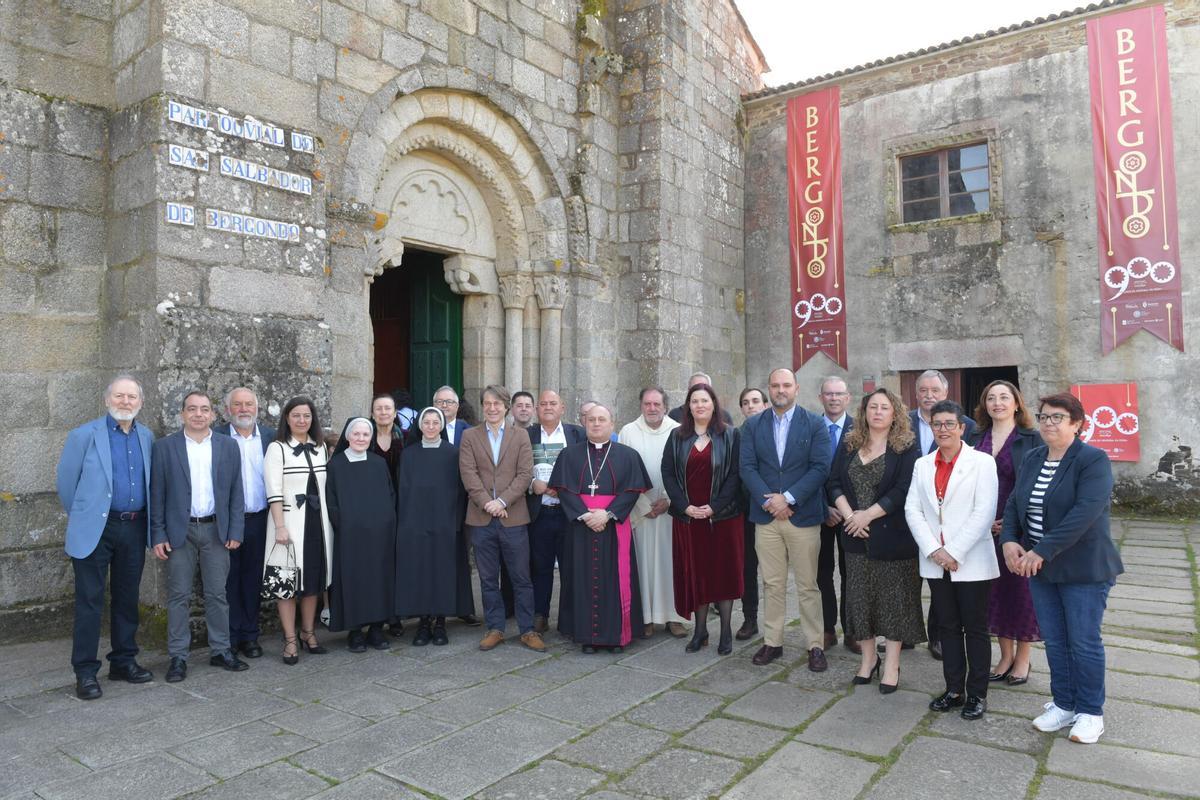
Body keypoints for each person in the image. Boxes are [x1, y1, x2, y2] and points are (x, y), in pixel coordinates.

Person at [1001, 393, 1124, 745]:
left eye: (1057, 417)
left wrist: (1041, 550)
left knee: (1083, 642)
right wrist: (1009, 539)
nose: (1049, 423)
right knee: (1055, 640)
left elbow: (1084, 514)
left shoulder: (1092, 460)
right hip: (1040, 569)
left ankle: (1090, 712)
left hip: (1083, 569)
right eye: (1044, 417)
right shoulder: (1034, 457)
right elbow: (1014, 503)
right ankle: (1065, 703)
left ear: (1076, 423)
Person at [56, 376, 156, 700]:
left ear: (140, 402)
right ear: (107, 400)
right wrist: (88, 516)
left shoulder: (147, 437)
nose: (125, 402)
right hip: (95, 529)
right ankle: (85, 672)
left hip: (134, 526)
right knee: (89, 602)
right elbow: (67, 485)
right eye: (119, 396)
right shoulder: (83, 436)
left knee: (127, 598)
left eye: (131, 397)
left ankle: (124, 661)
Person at [906, 400, 998, 721]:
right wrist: (935, 551)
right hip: (935, 561)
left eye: (949, 424)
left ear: (962, 428)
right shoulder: (922, 464)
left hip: (970, 560)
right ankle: (953, 689)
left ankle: (977, 694)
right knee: (947, 627)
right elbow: (912, 510)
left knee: (975, 628)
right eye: (937, 424)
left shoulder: (982, 463)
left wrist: (953, 552)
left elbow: (984, 511)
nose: (943, 430)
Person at [829, 388, 923, 693]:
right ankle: (868, 660)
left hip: (893, 538)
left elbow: (903, 488)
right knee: (860, 601)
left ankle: (892, 663)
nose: (878, 412)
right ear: (864, 412)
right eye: (873, 407)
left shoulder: (907, 447)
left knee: (895, 603)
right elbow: (833, 483)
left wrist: (867, 515)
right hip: (855, 538)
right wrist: (850, 517)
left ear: (894, 413)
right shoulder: (849, 444)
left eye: (884, 407)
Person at [150, 391, 248, 682]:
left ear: (213, 415)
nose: (198, 414)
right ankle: (178, 656)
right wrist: (158, 534)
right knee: (178, 595)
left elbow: (236, 493)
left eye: (204, 409)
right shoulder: (165, 447)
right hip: (180, 531)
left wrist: (235, 530)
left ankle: (221, 650)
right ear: (182, 414)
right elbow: (157, 493)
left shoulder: (228, 446)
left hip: (217, 530)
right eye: (192, 409)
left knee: (218, 594)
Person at [740, 368, 832, 670]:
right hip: (766, 518)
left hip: (802, 515)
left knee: (808, 584)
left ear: (796, 388)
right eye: (775, 385)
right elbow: (748, 468)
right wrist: (771, 501)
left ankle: (815, 645)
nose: (781, 390)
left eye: (786, 385)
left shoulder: (815, 424)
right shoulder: (753, 426)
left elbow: (820, 468)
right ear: (769, 389)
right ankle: (773, 642)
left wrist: (789, 498)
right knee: (772, 583)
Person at [549, 403, 652, 653]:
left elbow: (631, 492)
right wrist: (586, 515)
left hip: (614, 525)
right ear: (585, 423)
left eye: (601, 419)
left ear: (612, 423)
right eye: (592, 419)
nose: (596, 424)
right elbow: (564, 490)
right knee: (582, 579)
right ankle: (587, 636)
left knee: (615, 580)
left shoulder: (628, 456)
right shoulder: (569, 455)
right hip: (581, 527)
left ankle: (616, 636)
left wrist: (608, 514)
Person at [967, 380, 1043, 685]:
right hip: (983, 528)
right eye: (991, 398)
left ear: (1016, 404)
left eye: (1004, 397)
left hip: (1020, 529)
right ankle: (1005, 655)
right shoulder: (975, 436)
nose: (997, 403)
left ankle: (1023, 658)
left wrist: (1012, 523)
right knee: (994, 593)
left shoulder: (1031, 439)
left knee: (1021, 593)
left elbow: (1036, 486)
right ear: (985, 404)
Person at [459, 385, 545, 652]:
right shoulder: (470, 436)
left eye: (497, 403)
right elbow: (468, 474)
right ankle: (495, 628)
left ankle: (527, 629)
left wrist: (502, 501)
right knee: (487, 578)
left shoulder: (520, 436)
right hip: (481, 518)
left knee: (521, 577)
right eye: (487, 403)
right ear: (482, 406)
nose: (492, 408)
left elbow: (524, 474)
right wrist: (488, 503)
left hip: (514, 517)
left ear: (506, 407)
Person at [662, 384, 744, 655]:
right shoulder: (676, 436)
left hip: (722, 518)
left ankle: (726, 632)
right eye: (694, 401)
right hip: (689, 519)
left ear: (713, 404)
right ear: (688, 406)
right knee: (696, 574)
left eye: (704, 400)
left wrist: (715, 507)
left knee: (722, 574)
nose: (699, 405)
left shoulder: (730, 436)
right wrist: (684, 506)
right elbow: (668, 474)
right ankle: (700, 631)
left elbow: (734, 476)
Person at [908, 369, 978, 660]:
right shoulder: (903, 422)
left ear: (945, 393)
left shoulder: (968, 426)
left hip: (948, 521)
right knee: (908, 579)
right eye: (923, 390)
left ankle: (938, 636)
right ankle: (908, 632)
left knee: (941, 581)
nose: (928, 395)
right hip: (910, 515)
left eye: (934, 390)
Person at [264, 396, 334, 664]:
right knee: (286, 583)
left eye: (307, 416)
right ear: (287, 419)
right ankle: (290, 639)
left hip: (317, 525)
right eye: (296, 416)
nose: (302, 420)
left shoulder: (321, 448)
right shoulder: (277, 448)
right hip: (289, 527)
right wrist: (280, 526)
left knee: (312, 582)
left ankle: (308, 632)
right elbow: (274, 491)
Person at [619, 387, 689, 638]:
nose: (651, 408)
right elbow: (623, 471)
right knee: (643, 565)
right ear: (640, 405)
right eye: (647, 404)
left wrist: (670, 501)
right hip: (640, 511)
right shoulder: (628, 431)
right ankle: (645, 618)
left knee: (671, 564)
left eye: (656, 404)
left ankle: (674, 617)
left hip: (670, 511)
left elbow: (684, 471)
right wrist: (641, 505)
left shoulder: (678, 431)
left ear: (665, 406)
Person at [396, 407, 468, 646]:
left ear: (441, 425)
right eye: (425, 422)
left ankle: (440, 623)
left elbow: (460, 492)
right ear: (419, 426)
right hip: (415, 524)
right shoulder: (409, 454)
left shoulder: (453, 453)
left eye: (435, 422)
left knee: (442, 573)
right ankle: (423, 623)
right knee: (421, 572)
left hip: (444, 524)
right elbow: (403, 491)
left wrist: (455, 522)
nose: (430, 426)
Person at [327, 418, 397, 652]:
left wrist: (386, 525)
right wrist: (345, 526)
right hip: (350, 536)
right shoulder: (336, 465)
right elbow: (332, 501)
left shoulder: (378, 463)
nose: (360, 438)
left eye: (365, 435)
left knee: (377, 580)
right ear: (348, 437)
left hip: (379, 536)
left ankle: (377, 629)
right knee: (353, 580)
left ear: (371, 438)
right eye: (356, 434)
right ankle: (355, 631)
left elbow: (389, 496)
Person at [527, 390, 586, 633]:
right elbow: (516, 468)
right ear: (536, 409)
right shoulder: (525, 435)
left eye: (553, 403)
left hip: (568, 513)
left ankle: (569, 617)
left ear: (563, 407)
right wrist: (532, 484)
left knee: (571, 566)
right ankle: (540, 614)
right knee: (539, 567)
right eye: (543, 404)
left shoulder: (578, 434)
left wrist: (565, 488)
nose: (548, 407)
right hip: (538, 511)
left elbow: (587, 469)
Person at [222, 387, 274, 659]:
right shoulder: (216, 437)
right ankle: (229, 638)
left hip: (260, 519)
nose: (244, 409)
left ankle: (250, 637)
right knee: (228, 581)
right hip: (228, 523)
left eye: (249, 404)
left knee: (253, 580)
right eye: (238, 404)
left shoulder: (270, 437)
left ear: (257, 408)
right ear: (228, 409)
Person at [817, 376, 853, 652]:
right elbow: (805, 471)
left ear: (847, 398)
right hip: (818, 512)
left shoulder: (859, 429)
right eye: (828, 394)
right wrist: (823, 507)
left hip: (851, 516)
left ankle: (852, 631)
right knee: (822, 574)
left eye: (838, 394)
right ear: (821, 398)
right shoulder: (811, 427)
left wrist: (844, 510)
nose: (833, 398)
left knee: (852, 574)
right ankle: (828, 629)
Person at [735, 387, 767, 640]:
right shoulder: (737, 435)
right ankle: (750, 618)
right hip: (747, 512)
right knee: (748, 568)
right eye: (746, 403)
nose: (751, 406)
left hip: (781, 509)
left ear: (765, 405)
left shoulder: (777, 430)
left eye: (755, 401)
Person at [668, 372, 734, 424]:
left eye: (704, 387)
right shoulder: (675, 415)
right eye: (695, 388)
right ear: (689, 391)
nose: (700, 391)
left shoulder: (724, 417)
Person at [368, 392, 405, 481]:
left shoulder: (406, 437)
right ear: (373, 414)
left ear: (395, 413)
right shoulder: (364, 438)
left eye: (387, 408)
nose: (383, 412)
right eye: (378, 409)